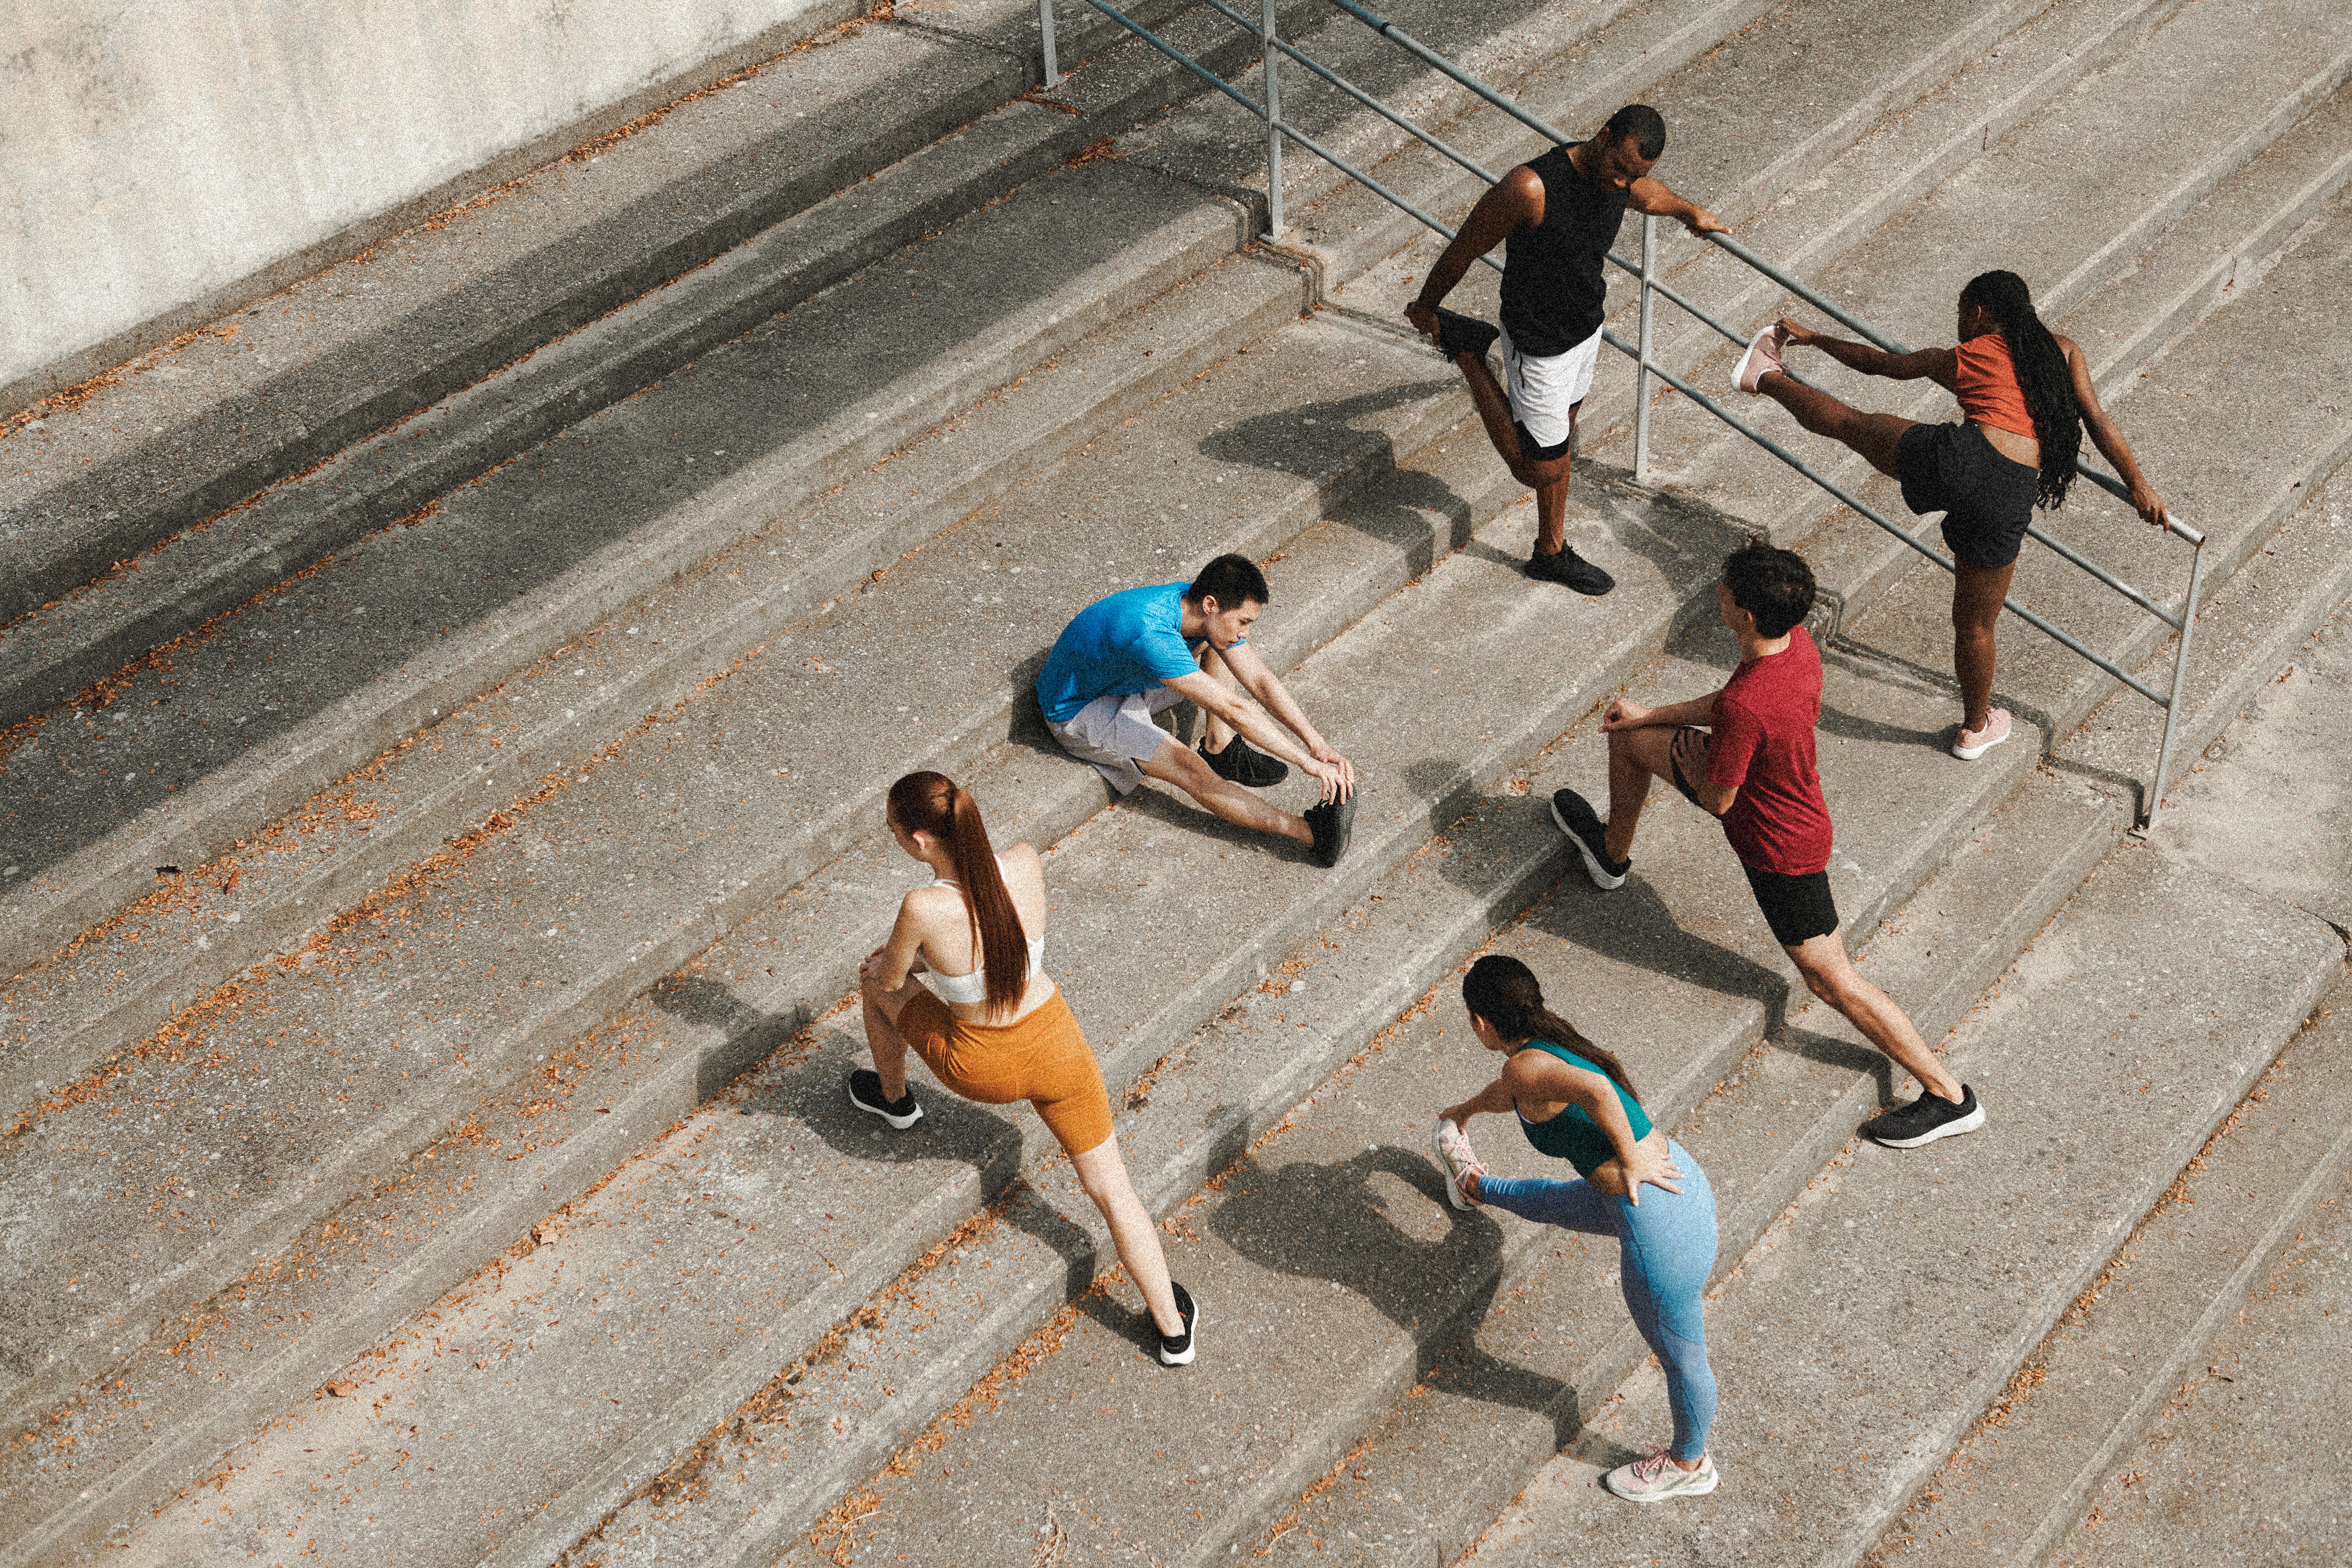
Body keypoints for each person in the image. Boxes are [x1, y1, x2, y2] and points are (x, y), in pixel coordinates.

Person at [1548, 541, 1985, 1149]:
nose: (1718, 594)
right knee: (1630, 740)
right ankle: (1609, 855)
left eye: (1725, 591)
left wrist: (1685, 752)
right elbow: (1729, 708)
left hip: (1780, 851)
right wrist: (1653, 717)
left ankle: (1949, 1095)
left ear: (1746, 614)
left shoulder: (1746, 705)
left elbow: (1719, 798)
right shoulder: (1795, 649)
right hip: (1797, 818)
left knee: (1831, 981)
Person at [1732, 267, 2168, 759]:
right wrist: (2139, 485)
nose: (1959, 323)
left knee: (1851, 424)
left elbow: (1881, 365)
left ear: (1978, 312)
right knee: (1977, 624)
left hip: (1961, 458)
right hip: (2009, 492)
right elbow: (2099, 420)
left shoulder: (1972, 353)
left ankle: (1764, 375)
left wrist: (1814, 339)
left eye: (1962, 313)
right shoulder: (2064, 351)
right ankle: (1974, 729)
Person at [851, 771, 1201, 1366]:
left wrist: (903, 966)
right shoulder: (1023, 861)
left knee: (870, 981)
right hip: (1057, 1048)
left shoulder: (923, 906)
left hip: (980, 1065)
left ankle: (894, 1100)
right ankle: (1172, 1331)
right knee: (1113, 1191)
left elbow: (891, 982)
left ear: (920, 842)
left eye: (893, 832)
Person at [1431, 955, 1720, 1502]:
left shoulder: (1528, 1066)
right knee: (1555, 1201)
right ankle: (1474, 1186)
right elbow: (1512, 1093)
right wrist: (1464, 1111)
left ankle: (1690, 1462)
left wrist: (1631, 1160)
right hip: (1678, 1185)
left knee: (1683, 1358)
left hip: (1656, 1227)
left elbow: (1601, 1094)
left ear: (1481, 1024)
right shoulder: (1543, 1047)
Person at [1405, 104, 1726, 594]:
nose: (1623, 184)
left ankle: (1550, 552)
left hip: (1585, 332)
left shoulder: (1619, 179)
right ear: (1602, 137)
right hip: (1537, 344)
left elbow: (1646, 193)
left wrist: (1687, 210)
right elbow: (1465, 248)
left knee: (1561, 439)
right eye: (1620, 169)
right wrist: (1428, 307)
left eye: (1633, 175)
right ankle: (1467, 349)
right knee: (1536, 469)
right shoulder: (1530, 189)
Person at [1035, 552, 1358, 866]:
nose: (1246, 633)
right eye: (1244, 621)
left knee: (1222, 642)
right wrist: (1304, 762)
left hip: (1127, 677)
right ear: (1210, 604)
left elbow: (1260, 681)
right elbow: (1236, 710)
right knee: (1188, 767)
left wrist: (1316, 743)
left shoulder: (1194, 606)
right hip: (1080, 709)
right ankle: (1316, 835)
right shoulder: (1150, 632)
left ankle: (1220, 746)